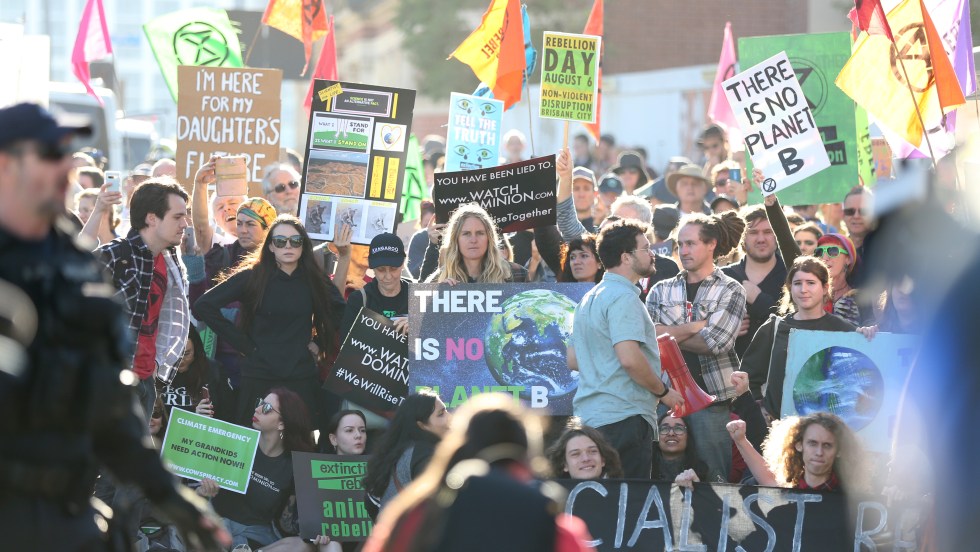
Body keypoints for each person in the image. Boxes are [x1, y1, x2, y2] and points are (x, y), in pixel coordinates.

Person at [0, 102, 228, 551]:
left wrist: (175, 501)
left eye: (66, 153)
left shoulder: (76, 266)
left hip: (61, 508)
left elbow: (112, 407)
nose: (66, 165)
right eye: (49, 154)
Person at [363, 393, 594, 552]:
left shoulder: (416, 515)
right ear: (528, 449)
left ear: (463, 445)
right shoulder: (552, 521)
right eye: (441, 413)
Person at [193, 215, 346, 426]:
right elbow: (203, 306)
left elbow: (340, 311)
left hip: (299, 375)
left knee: (298, 442)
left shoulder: (313, 279)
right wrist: (243, 343)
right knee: (254, 440)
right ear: (271, 246)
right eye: (280, 241)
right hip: (260, 374)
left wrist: (318, 342)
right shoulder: (253, 276)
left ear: (304, 246)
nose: (288, 246)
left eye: (295, 241)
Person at [568, 219, 684, 478]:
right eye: (645, 248)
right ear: (626, 257)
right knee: (627, 509)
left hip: (591, 421)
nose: (652, 253)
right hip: (624, 420)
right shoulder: (624, 297)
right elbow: (630, 359)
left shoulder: (587, 299)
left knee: (602, 507)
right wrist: (663, 392)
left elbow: (574, 359)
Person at [645, 211, 747, 482]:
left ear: (711, 244)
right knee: (658, 476)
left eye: (691, 243)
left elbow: (716, 343)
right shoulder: (660, 290)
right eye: (680, 244)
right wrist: (695, 326)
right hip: (663, 396)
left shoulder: (731, 289)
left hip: (712, 399)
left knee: (715, 481)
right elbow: (649, 340)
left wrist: (667, 334)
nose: (684, 250)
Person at [97, 177, 192, 419]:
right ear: (151, 218)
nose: (185, 223)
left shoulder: (171, 261)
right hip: (113, 377)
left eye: (186, 216)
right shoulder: (115, 255)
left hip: (147, 378)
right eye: (178, 216)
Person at [738, 256, 857, 418]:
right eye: (797, 283)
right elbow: (748, 376)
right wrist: (760, 408)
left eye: (811, 283)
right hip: (778, 428)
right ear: (790, 288)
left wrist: (867, 335)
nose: (803, 289)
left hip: (827, 430)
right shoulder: (775, 328)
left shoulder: (843, 329)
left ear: (824, 288)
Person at [197, 388, 315, 549]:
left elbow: (287, 525)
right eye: (260, 403)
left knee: (302, 545)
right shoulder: (238, 438)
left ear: (282, 423)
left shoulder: (293, 465)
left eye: (266, 408)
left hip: (257, 535)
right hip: (217, 526)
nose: (257, 409)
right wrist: (198, 423)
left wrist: (316, 530)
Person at [727, 411, 867, 492]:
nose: (819, 452)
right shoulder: (788, 486)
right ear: (799, 445)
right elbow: (768, 479)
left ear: (839, 451)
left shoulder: (849, 497)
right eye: (812, 443)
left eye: (827, 445)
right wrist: (740, 440)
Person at [364, 391, 451, 517]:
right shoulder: (426, 455)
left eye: (446, 410)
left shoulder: (399, 452)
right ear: (422, 425)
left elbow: (371, 503)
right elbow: (442, 504)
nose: (450, 417)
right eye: (441, 414)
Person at [722, 205, 786, 359]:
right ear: (743, 238)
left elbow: (797, 323)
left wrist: (759, 300)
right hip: (733, 372)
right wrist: (726, 331)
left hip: (777, 370)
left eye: (768, 232)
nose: (761, 239)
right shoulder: (725, 276)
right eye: (753, 232)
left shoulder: (791, 274)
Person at [420, 203, 528, 283]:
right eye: (466, 234)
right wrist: (438, 297)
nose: (473, 240)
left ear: (489, 238)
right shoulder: (440, 279)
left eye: (480, 233)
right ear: (456, 239)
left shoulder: (517, 274)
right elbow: (418, 310)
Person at [341, 232, 411, 337]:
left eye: (393, 269)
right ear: (372, 266)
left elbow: (437, 342)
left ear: (403, 263)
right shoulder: (358, 299)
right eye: (381, 270)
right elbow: (346, 346)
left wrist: (418, 327)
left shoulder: (418, 297)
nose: (388, 276)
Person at [157, 325, 222, 418]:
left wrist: (201, 419)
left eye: (186, 354)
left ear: (196, 350)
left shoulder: (212, 370)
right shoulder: (153, 369)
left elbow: (227, 418)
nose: (180, 361)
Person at [546, 423, 624, 479]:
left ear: (603, 459)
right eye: (575, 454)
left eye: (592, 451)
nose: (586, 458)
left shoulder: (627, 498)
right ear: (565, 465)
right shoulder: (552, 501)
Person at [407, 200, 436, 279]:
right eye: (426, 225)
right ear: (420, 224)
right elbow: (413, 273)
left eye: (433, 224)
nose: (430, 229)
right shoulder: (418, 239)